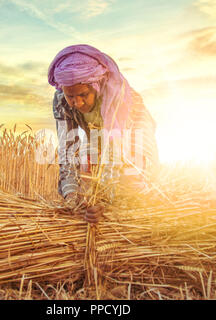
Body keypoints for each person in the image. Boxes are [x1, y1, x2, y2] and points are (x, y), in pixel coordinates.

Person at [48, 44, 159, 223]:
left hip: (133, 125)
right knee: (95, 177)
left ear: (96, 86)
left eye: (83, 94)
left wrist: (104, 203)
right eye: (71, 96)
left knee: (134, 178)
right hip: (97, 130)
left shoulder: (116, 98)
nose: (76, 102)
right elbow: (67, 150)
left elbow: (116, 153)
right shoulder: (61, 100)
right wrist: (72, 199)